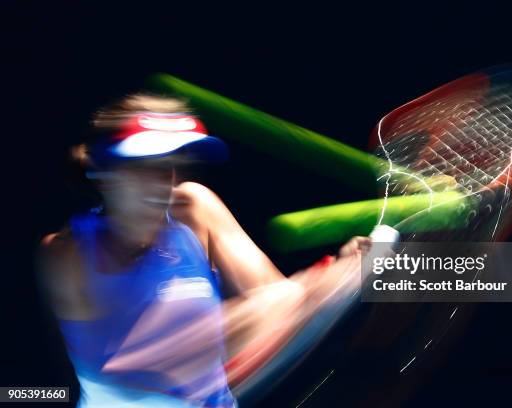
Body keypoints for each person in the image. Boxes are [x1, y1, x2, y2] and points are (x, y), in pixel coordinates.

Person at [38, 94, 370, 407]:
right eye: (143, 165)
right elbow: (144, 365)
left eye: (172, 164)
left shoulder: (195, 208)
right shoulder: (67, 255)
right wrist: (320, 285)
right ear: (102, 171)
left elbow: (281, 303)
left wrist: (356, 267)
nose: (163, 183)